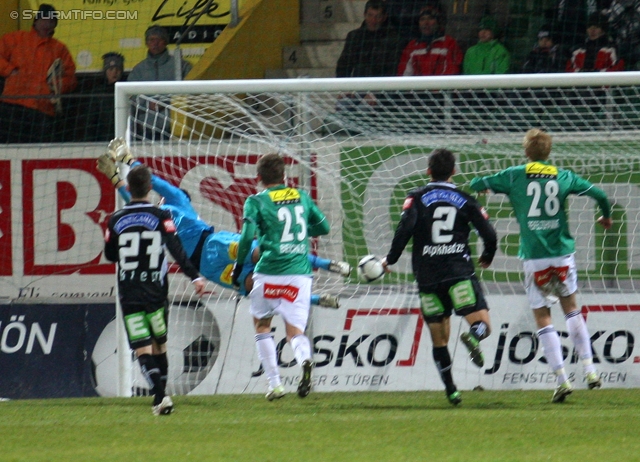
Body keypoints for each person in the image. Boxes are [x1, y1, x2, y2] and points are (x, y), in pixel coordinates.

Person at [96, 140, 349, 307]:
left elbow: (150, 184)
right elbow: (136, 200)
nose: (159, 196)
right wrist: (116, 175)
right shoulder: (154, 214)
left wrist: (127, 163)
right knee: (257, 288)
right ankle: (317, 298)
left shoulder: (177, 202)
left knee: (261, 265)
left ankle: (327, 265)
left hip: (213, 247)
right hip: (208, 261)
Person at [469, 128, 612, 403]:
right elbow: (601, 196)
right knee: (571, 309)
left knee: (543, 317)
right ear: (548, 152)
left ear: (526, 152)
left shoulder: (513, 175)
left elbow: (476, 183)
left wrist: (488, 185)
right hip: (561, 254)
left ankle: (562, 380)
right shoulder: (563, 175)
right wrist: (605, 217)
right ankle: (590, 370)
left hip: (534, 257)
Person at [381, 149, 498, 406]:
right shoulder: (465, 199)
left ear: (428, 171)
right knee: (483, 324)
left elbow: (405, 230)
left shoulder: (416, 198)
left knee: (439, 338)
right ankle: (474, 336)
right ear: (454, 171)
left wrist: (389, 260)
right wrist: (488, 255)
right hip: (458, 271)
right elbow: (489, 233)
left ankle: (451, 391)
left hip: (428, 276)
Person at [104, 164, 207, 416]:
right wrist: (195, 277)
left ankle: (160, 396)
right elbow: (176, 249)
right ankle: (161, 396)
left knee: (141, 347)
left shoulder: (115, 219)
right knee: (159, 345)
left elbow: (109, 255)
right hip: (156, 290)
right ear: (150, 188)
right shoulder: (162, 216)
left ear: (128, 188)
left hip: (130, 291)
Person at [231, 153, 330, 401]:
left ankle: (275, 384)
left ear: (259, 178)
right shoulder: (302, 197)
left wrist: (238, 266)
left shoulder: (256, 201)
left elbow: (245, 238)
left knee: (262, 325)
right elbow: (324, 228)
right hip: (299, 275)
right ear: (284, 176)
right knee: (295, 331)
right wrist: (305, 229)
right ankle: (305, 359)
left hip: (269, 274)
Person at [0, 3, 77, 143]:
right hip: (13, 104)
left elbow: (70, 77)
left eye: (51, 21)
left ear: (55, 25)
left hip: (42, 109)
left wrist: (55, 87)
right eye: (44, 20)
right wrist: (9, 71)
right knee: (9, 147)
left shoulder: (60, 49)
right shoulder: (16, 38)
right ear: (36, 20)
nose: (47, 24)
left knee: (39, 151)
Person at [128, 25, 192, 140]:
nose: (155, 43)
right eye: (151, 40)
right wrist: (147, 104)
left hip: (175, 129)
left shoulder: (181, 66)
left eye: (159, 39)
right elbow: (131, 97)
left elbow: (192, 93)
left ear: (166, 42)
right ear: (146, 43)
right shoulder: (138, 70)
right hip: (146, 130)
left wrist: (165, 102)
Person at [336, 0, 403, 78]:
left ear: (384, 17)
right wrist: (345, 86)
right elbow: (344, 64)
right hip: (359, 84)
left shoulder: (394, 39)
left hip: (383, 85)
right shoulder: (354, 36)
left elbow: (393, 68)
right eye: (370, 15)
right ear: (365, 15)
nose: (373, 20)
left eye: (378, 16)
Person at [397, 5, 463, 76]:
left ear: (438, 22)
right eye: (422, 19)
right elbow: (404, 75)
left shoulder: (449, 43)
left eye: (430, 18)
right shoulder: (412, 46)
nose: (426, 23)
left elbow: (451, 72)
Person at [81, 52, 125, 141]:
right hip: (102, 139)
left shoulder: (127, 91)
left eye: (118, 69)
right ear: (105, 71)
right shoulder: (98, 93)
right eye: (111, 69)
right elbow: (90, 122)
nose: (114, 72)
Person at [608, 0, 640, 70]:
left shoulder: (637, 3)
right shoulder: (615, 4)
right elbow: (612, 24)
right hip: (622, 44)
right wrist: (623, 8)